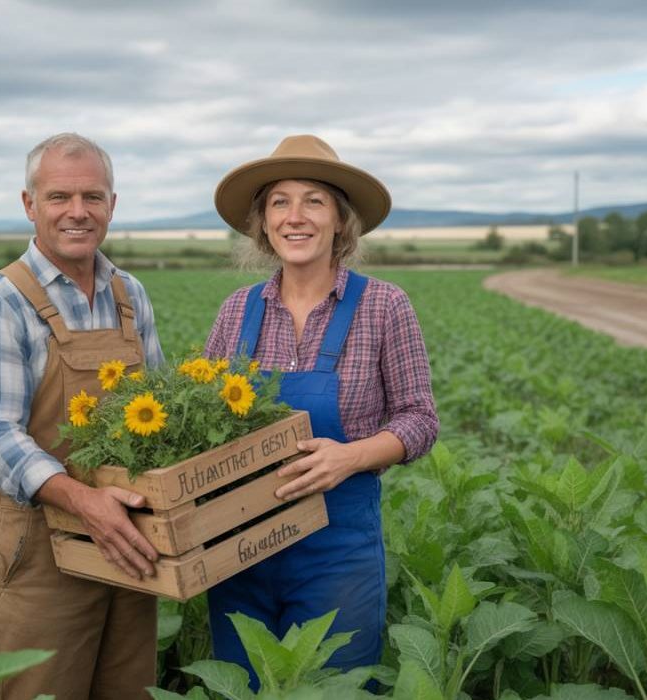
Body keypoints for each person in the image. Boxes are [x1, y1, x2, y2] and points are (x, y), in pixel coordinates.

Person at [203, 134, 439, 685]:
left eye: (314, 200)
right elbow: (204, 423)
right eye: (279, 202)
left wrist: (350, 457)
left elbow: (419, 419)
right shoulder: (237, 310)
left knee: (333, 689)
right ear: (263, 223)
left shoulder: (384, 305)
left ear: (340, 220)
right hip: (242, 548)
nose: (295, 216)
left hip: (337, 557)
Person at [0, 133, 164, 699]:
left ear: (113, 205)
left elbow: (160, 412)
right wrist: (85, 503)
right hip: (40, 550)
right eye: (59, 197)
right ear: (30, 204)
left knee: (129, 688)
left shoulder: (130, 295)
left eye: (93, 197)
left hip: (128, 538)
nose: (78, 212)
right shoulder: (0, 300)